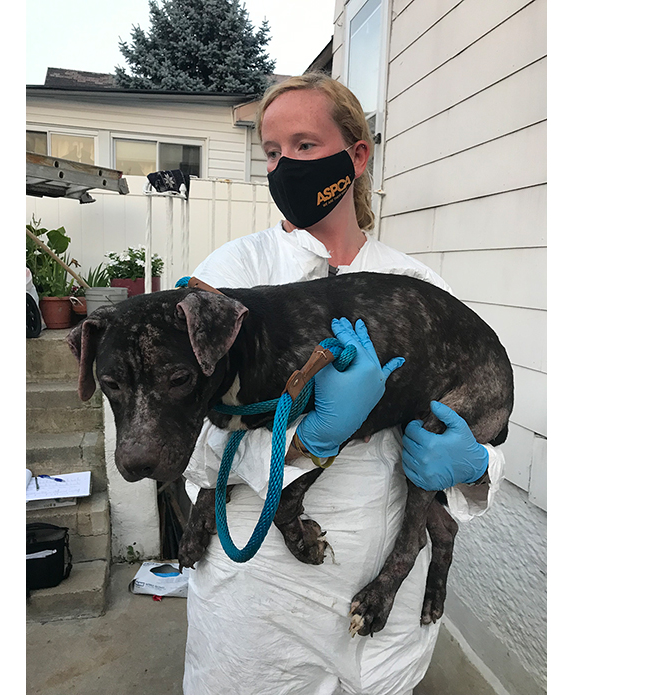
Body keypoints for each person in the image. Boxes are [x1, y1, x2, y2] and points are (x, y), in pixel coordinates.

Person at [180, 73, 505, 695]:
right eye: (271, 153)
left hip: (385, 610)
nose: (283, 167)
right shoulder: (232, 277)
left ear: (356, 157)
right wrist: (310, 438)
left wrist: (470, 464)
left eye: (304, 146)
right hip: (258, 604)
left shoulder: (415, 287)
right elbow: (187, 436)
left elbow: (474, 406)